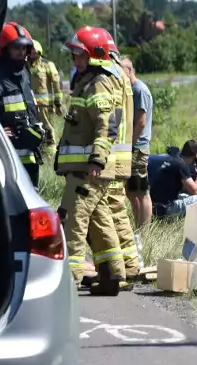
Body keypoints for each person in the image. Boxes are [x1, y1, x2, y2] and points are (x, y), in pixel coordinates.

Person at [56, 26, 127, 295]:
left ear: (94, 56)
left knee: (72, 222)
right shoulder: (89, 81)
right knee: (99, 222)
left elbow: (106, 126)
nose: (75, 61)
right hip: (88, 170)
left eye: (80, 56)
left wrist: (97, 160)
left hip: (89, 170)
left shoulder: (98, 83)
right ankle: (110, 277)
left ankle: (68, 283)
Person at [82, 29, 140, 287]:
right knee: (117, 212)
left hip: (111, 155)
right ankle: (128, 267)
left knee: (111, 212)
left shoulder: (108, 76)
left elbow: (107, 120)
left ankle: (121, 270)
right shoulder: (121, 76)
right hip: (119, 154)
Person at [0, 22, 45, 188]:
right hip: (4, 160)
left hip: (29, 159)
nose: (22, 53)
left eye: (25, 48)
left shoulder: (24, 75)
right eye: (16, 48)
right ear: (3, 49)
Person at [121, 55, 153, 229]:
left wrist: (129, 145)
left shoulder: (139, 90)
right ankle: (138, 226)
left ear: (129, 70)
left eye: (120, 71)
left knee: (141, 191)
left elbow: (140, 122)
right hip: (133, 147)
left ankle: (144, 229)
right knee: (132, 191)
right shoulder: (130, 89)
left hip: (137, 147)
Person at [151, 139, 197, 218]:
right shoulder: (181, 165)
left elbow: (187, 188)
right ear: (196, 156)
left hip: (154, 205)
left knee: (187, 195)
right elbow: (195, 191)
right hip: (166, 208)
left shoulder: (173, 159)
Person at [27, 39, 63, 158]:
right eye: (29, 51)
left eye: (33, 51)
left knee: (48, 129)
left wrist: (58, 103)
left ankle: (50, 155)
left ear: (39, 51)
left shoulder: (47, 65)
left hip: (44, 105)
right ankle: (40, 152)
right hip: (30, 105)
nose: (31, 54)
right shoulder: (25, 66)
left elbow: (56, 82)